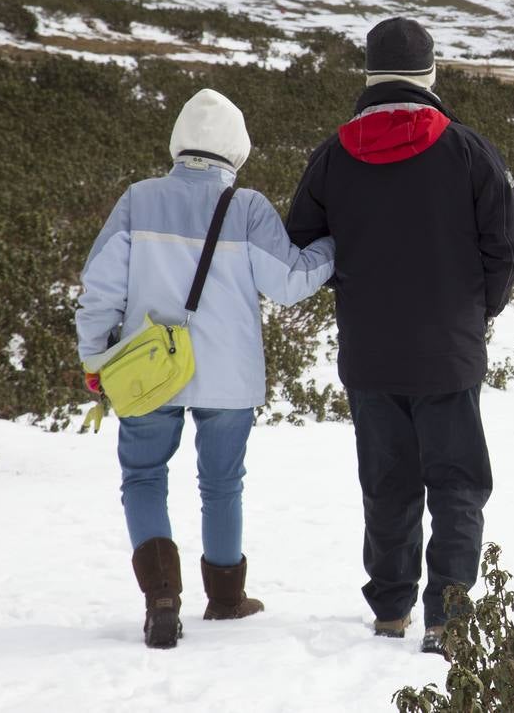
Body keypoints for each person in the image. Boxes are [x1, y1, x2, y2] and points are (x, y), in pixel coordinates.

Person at [285, 17, 514, 657]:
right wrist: (480, 311)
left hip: (370, 354)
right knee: (457, 485)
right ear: (430, 74)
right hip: (449, 352)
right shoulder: (469, 151)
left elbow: (302, 245)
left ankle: (390, 611)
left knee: (387, 484)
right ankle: (448, 620)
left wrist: (354, 282)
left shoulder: (332, 156)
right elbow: (507, 246)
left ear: (369, 75)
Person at [76, 88, 336, 649]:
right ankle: (225, 598)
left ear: (178, 142)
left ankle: (161, 598)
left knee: (143, 477)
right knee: (221, 484)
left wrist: (95, 358)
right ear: (236, 150)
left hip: (146, 371)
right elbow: (289, 283)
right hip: (229, 376)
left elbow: (99, 289)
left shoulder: (137, 199)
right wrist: (333, 248)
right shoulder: (247, 208)